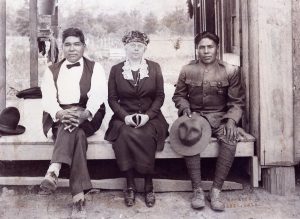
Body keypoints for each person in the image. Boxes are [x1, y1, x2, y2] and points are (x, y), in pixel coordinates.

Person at [172, 31, 245, 211]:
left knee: (230, 138)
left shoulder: (230, 70)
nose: (206, 51)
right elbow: (179, 96)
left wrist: (231, 121)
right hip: (195, 117)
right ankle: (197, 190)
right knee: (189, 136)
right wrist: (185, 108)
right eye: (202, 47)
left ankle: (216, 191)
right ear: (197, 49)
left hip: (220, 117)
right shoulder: (187, 69)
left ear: (217, 48)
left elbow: (237, 101)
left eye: (210, 47)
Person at [40, 27, 107, 217]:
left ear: (84, 46)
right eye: (68, 45)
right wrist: (62, 114)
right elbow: (48, 100)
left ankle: (54, 169)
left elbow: (97, 96)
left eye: (77, 44)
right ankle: (79, 196)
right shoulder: (51, 70)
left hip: (88, 113)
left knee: (76, 127)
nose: (72, 49)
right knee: (76, 133)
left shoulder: (96, 67)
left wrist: (83, 114)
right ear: (62, 47)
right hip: (59, 114)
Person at [105, 30, 169, 208]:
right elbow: (112, 99)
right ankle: (130, 185)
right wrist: (125, 117)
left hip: (151, 116)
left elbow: (160, 96)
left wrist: (147, 116)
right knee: (124, 134)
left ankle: (149, 185)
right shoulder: (116, 70)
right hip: (123, 116)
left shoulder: (154, 67)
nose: (135, 49)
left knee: (147, 134)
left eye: (139, 46)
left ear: (145, 48)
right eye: (132, 46)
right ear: (125, 48)